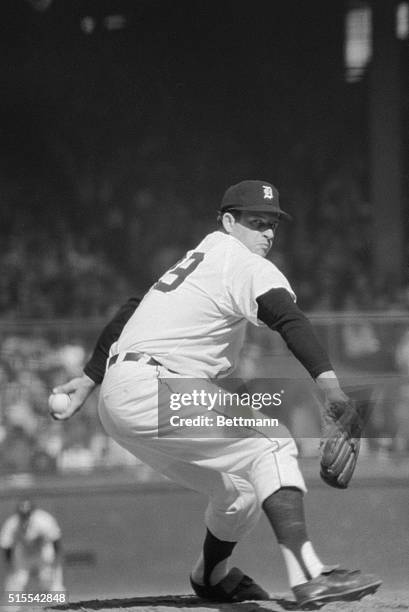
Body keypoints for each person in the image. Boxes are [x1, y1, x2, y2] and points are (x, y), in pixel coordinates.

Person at [49, 180, 381, 607]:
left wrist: (90, 379)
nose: (267, 232)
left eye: (272, 224)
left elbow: (134, 307)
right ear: (228, 221)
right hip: (156, 387)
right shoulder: (242, 262)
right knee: (273, 445)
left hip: (124, 399)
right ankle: (310, 575)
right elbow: (289, 318)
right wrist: (333, 391)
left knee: (239, 488)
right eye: (256, 222)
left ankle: (211, 576)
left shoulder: (201, 258)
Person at [0, 499, 65, 594]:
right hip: (23, 554)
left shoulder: (44, 519)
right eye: (23, 514)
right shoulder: (12, 523)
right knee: (16, 581)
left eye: (27, 513)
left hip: (43, 553)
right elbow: (6, 545)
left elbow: (55, 540)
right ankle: (11, 608)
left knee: (50, 581)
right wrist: (9, 564)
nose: (25, 516)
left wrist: (56, 560)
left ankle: (61, 606)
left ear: (33, 512)